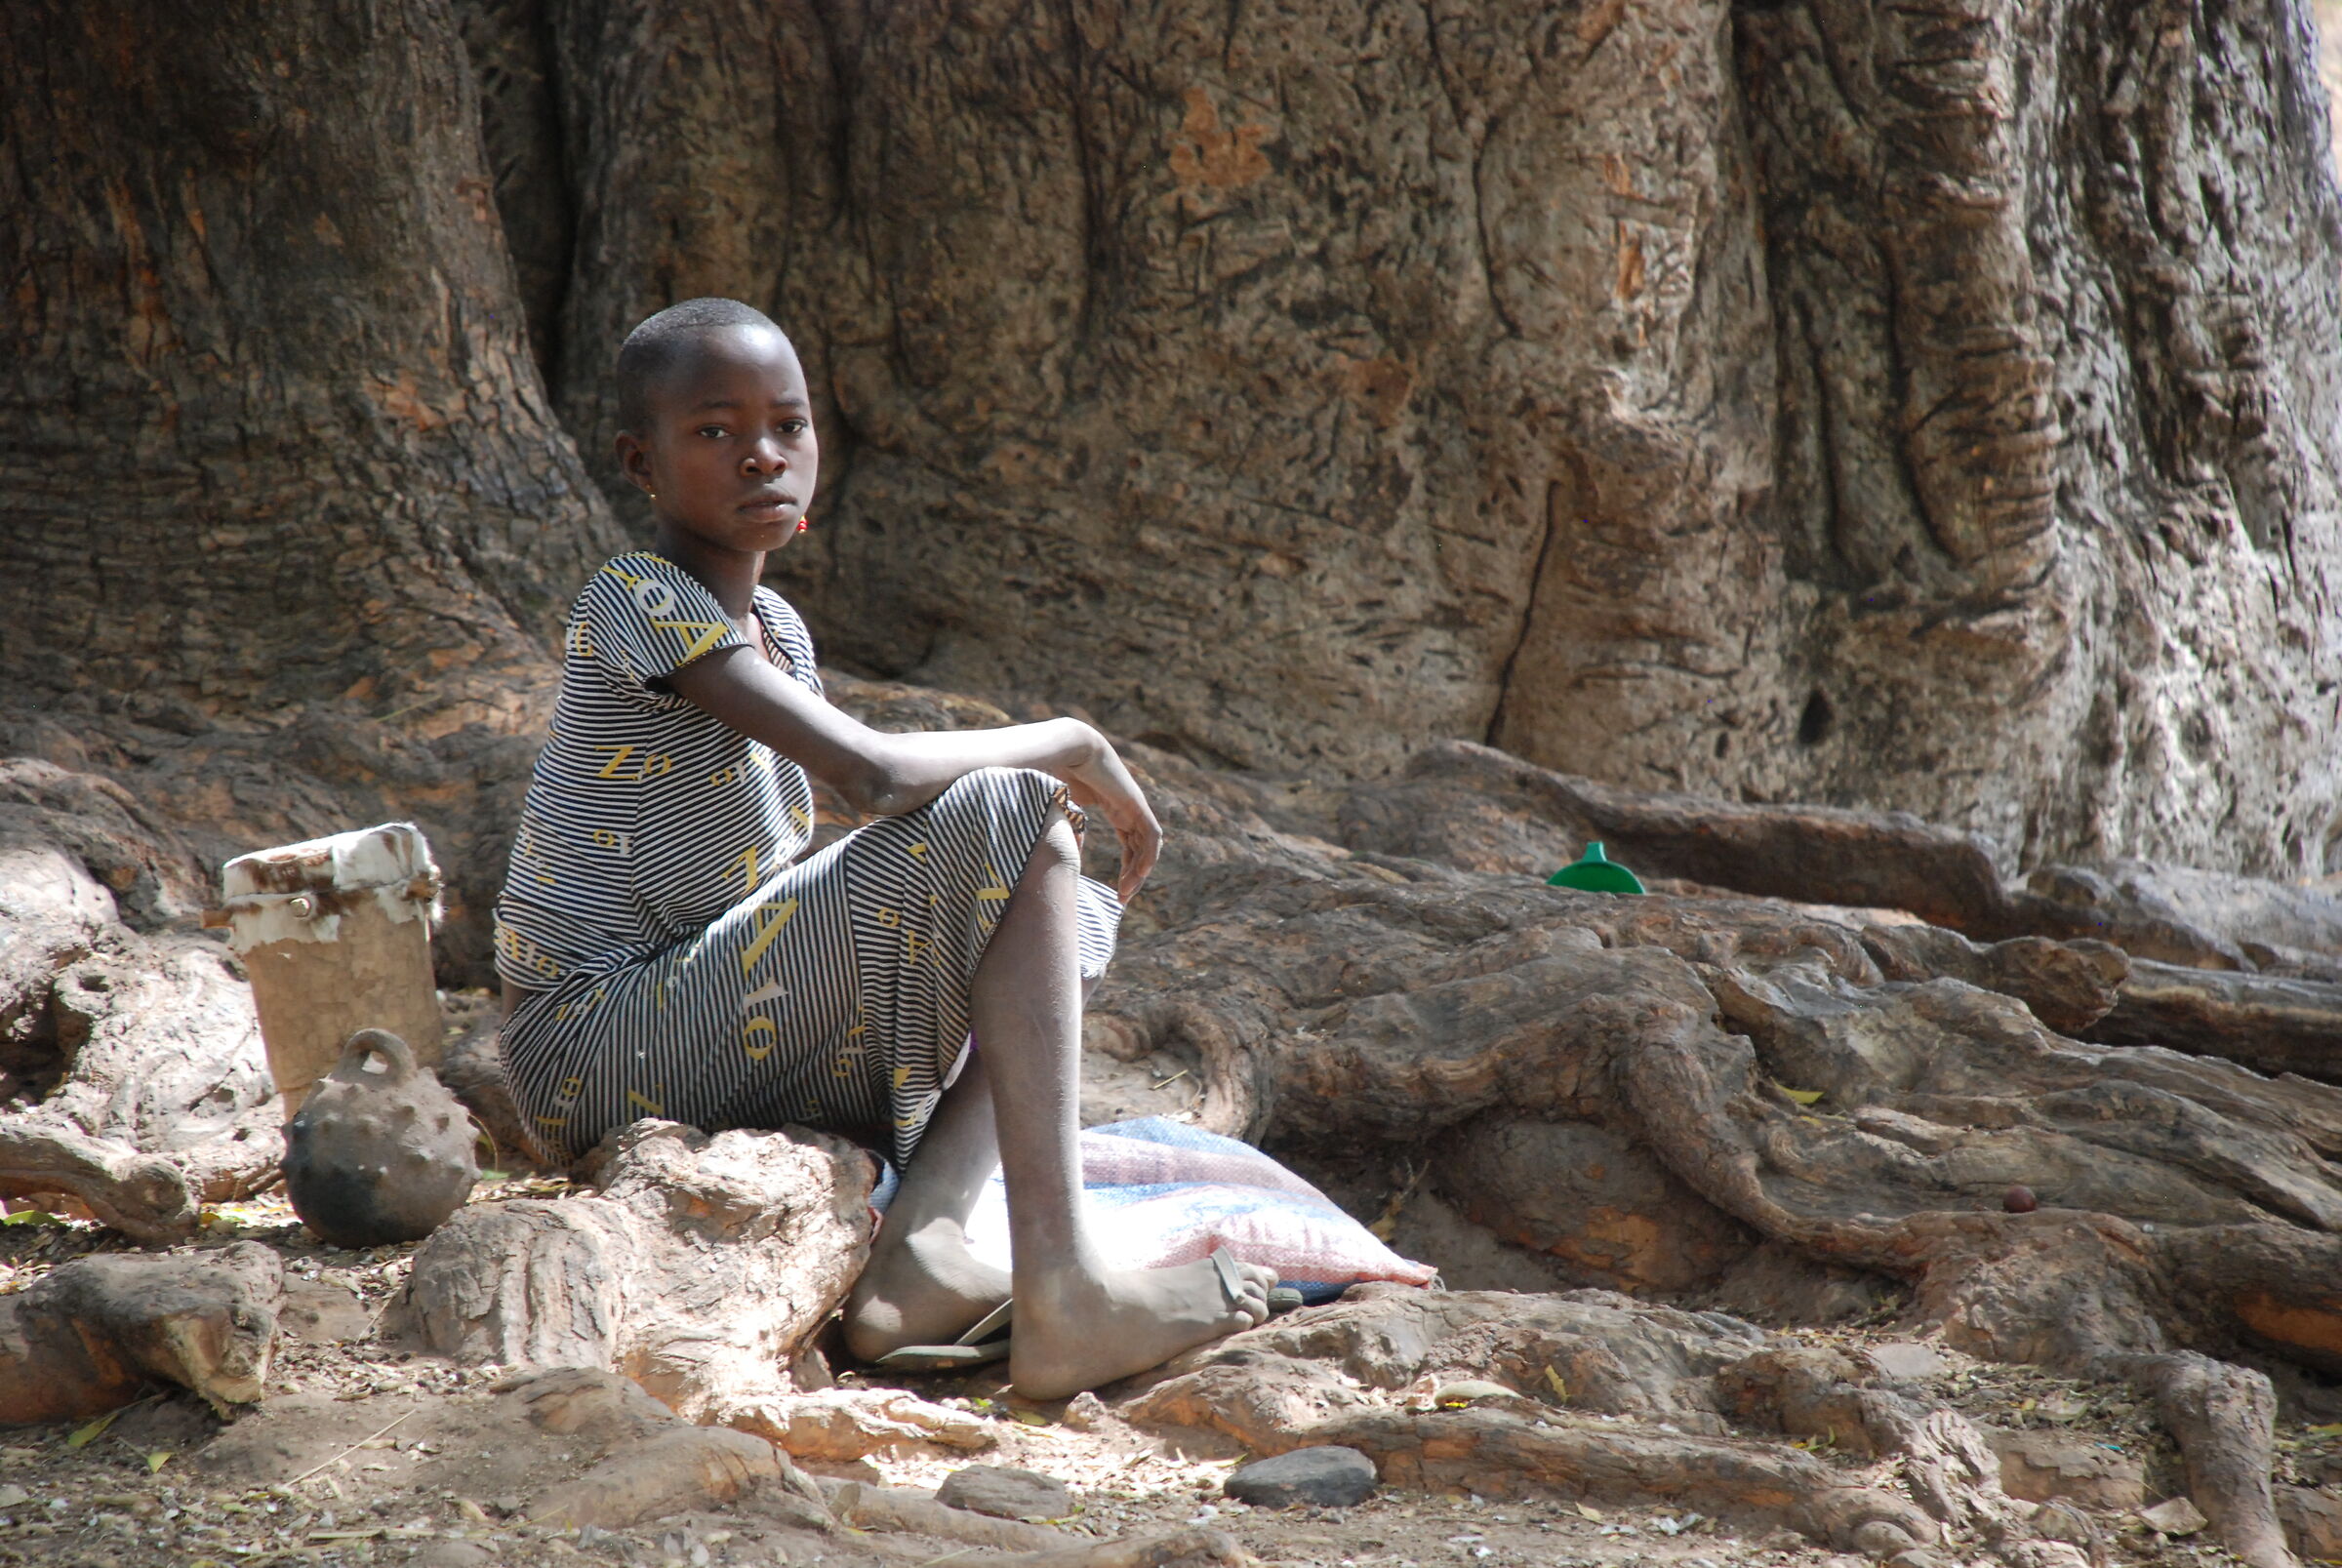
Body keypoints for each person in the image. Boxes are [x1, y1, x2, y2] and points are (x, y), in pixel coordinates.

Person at [492, 298, 1275, 1398]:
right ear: (642, 462)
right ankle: (1066, 1285)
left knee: (1030, 902)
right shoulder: (636, 598)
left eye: (789, 424)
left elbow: (821, 873)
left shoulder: (785, 632)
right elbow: (874, 778)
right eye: (714, 431)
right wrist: (1078, 742)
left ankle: (919, 1249)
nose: (763, 453)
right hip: (595, 1040)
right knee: (1010, 809)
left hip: (699, 1009)